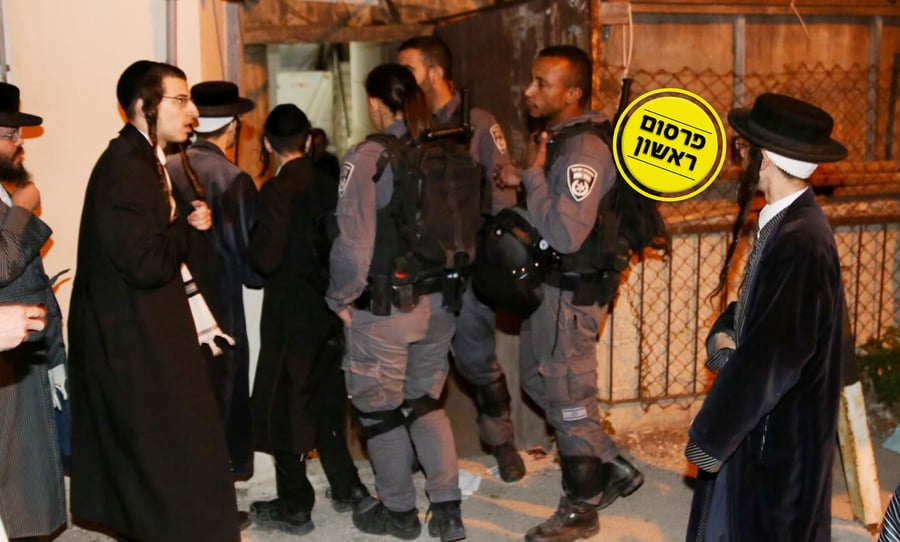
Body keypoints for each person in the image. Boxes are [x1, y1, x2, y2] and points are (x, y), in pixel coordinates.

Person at [68, 60, 240, 542]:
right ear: (144, 105)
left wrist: (186, 224)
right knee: (164, 458)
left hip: (143, 333)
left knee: (169, 457)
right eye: (180, 100)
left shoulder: (143, 160)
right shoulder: (127, 167)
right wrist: (183, 227)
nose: (193, 112)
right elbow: (145, 262)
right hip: (131, 343)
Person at [494, 45, 644, 542]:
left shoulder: (584, 150)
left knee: (568, 398)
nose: (529, 90)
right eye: (531, 79)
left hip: (572, 294)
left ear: (573, 93)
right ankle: (610, 466)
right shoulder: (562, 139)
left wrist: (532, 177)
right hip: (552, 292)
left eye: (542, 83)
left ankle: (581, 508)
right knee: (537, 383)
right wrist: (526, 177)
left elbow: (563, 234)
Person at [684, 93, 848, 541]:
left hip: (780, 441)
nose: (739, 156)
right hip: (763, 425)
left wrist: (711, 436)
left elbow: (775, 356)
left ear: (768, 159)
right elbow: (764, 308)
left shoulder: (801, 240)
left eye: (743, 147)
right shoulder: (786, 221)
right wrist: (725, 333)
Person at [327, 63, 466, 542]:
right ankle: (447, 511)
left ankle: (400, 513)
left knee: (379, 411)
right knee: (423, 402)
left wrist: (340, 297)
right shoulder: (444, 147)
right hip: (440, 302)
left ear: (374, 103)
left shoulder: (369, 156)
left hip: (388, 307)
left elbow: (353, 241)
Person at [397, 35, 524, 482]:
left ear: (434, 72)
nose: (403, 80)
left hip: (468, 267)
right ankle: (419, 453)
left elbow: (503, 194)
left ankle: (502, 442)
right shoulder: (411, 125)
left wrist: (493, 255)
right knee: (419, 366)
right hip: (423, 267)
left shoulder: (477, 122)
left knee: (477, 362)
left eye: (409, 69)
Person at [248, 104, 370, 536]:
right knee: (328, 403)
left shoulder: (276, 191)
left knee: (285, 408)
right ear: (307, 140)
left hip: (290, 318)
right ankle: (348, 488)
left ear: (268, 145)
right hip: (331, 310)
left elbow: (265, 259)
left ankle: (295, 506)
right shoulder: (329, 183)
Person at [166, 80, 261, 478]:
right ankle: (223, 478)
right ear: (233, 126)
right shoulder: (232, 177)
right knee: (223, 389)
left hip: (174, 297)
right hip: (220, 302)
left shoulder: (165, 167)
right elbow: (247, 256)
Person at [0, 82, 67, 541]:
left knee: (28, 471)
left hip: (22, 350)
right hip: (5, 350)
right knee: (15, 476)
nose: (19, 143)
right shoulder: (16, 197)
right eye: (9, 135)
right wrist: (23, 209)